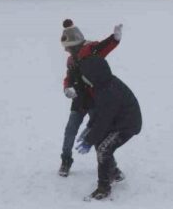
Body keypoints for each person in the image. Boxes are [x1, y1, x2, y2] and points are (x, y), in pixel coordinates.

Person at [74, 48, 142, 201]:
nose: (84, 78)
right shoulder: (102, 85)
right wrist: (89, 127)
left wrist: (89, 140)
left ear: (94, 74)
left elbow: (104, 120)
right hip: (117, 121)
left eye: (85, 75)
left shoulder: (108, 91)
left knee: (104, 149)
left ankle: (103, 188)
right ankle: (114, 173)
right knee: (101, 144)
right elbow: (99, 112)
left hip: (128, 125)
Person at [58, 19, 123, 178]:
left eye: (68, 48)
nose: (66, 51)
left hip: (96, 100)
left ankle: (112, 168)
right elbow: (69, 77)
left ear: (75, 44)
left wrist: (114, 38)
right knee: (70, 131)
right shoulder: (71, 60)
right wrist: (67, 88)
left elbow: (104, 46)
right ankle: (66, 160)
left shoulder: (91, 49)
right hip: (79, 100)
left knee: (98, 134)